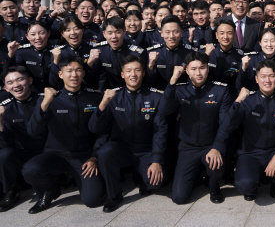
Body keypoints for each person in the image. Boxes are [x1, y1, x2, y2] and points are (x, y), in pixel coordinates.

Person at [218, 60, 275, 205]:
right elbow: (227, 125)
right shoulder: (247, 101)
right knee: (245, 185)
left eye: (271, 76)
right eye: (263, 76)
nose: (267, 80)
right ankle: (254, 183)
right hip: (250, 154)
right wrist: (237, 102)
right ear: (256, 79)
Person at [24, 56, 105, 213]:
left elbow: (103, 131)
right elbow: (33, 130)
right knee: (30, 170)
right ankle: (51, 188)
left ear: (83, 73)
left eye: (78, 70)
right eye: (69, 71)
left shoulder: (95, 98)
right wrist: (45, 104)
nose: (74, 75)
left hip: (84, 158)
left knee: (93, 200)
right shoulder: (49, 99)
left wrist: (94, 156)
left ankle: (75, 178)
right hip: (56, 155)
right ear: (60, 74)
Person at [89, 55, 168, 212]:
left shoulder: (156, 97)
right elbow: (94, 128)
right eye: (129, 71)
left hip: (146, 149)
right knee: (105, 152)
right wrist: (103, 104)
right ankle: (114, 195)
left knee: (156, 183)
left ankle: (141, 177)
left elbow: (161, 130)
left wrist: (156, 160)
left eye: (137, 70)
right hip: (122, 148)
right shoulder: (113, 97)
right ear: (122, 74)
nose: (133, 74)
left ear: (144, 73)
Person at [165, 52, 232, 205]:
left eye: (202, 68)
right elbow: (164, 109)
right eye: (193, 69)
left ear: (208, 68)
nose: (198, 72)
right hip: (188, 147)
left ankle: (213, 185)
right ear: (186, 71)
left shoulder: (220, 91)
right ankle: (195, 176)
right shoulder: (179, 90)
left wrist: (217, 147)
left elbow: (225, 124)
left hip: (210, 145)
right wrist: (173, 81)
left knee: (216, 166)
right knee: (179, 198)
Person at [0, 67, 47, 211]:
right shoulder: (6, 108)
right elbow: (6, 142)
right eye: (10, 82)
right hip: (25, 152)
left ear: (30, 80)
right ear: (6, 88)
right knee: (4, 154)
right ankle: (11, 190)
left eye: (20, 79)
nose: (16, 85)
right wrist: (0, 120)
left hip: (48, 151)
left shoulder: (44, 99)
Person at [92, 17, 146, 91]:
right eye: (110, 33)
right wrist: (89, 63)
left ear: (124, 32)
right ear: (104, 34)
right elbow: (96, 77)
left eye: (118, 32)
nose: (114, 36)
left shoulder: (136, 53)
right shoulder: (100, 50)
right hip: (109, 92)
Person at [147, 15, 195, 90]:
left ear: (181, 33)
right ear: (162, 33)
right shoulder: (152, 53)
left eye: (175, 32)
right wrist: (150, 66)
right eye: (167, 32)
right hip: (159, 95)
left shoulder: (190, 52)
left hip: (183, 95)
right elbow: (148, 81)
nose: (171, 36)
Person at [239, 28, 275, 94]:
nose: (269, 44)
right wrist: (243, 69)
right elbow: (239, 85)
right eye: (265, 41)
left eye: (272, 41)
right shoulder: (250, 60)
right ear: (260, 43)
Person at [7, 22, 54, 92]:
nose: (38, 37)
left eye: (41, 33)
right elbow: (11, 71)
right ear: (27, 37)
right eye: (33, 34)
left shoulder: (57, 51)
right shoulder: (22, 52)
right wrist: (11, 54)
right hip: (32, 93)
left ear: (48, 33)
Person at [206, 19, 245, 98]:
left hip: (230, 96)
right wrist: (206, 56)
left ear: (234, 35)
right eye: (222, 33)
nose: (225, 36)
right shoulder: (208, 52)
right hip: (208, 94)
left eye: (229, 33)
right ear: (216, 35)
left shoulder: (240, 57)